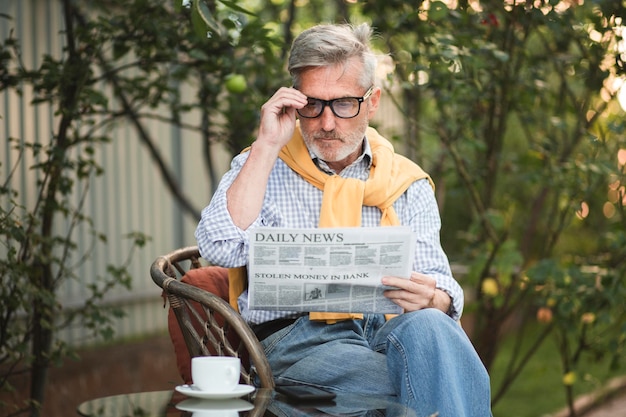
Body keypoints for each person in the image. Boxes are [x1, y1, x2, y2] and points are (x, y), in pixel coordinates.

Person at [195, 22, 492, 417]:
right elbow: (218, 246)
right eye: (313, 105)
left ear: (372, 102)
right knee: (438, 382)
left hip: (388, 332)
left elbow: (441, 284)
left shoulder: (405, 182)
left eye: (344, 104)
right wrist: (266, 144)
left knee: (435, 328)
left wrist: (433, 297)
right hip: (298, 344)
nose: (327, 123)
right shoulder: (263, 165)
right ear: (295, 101)